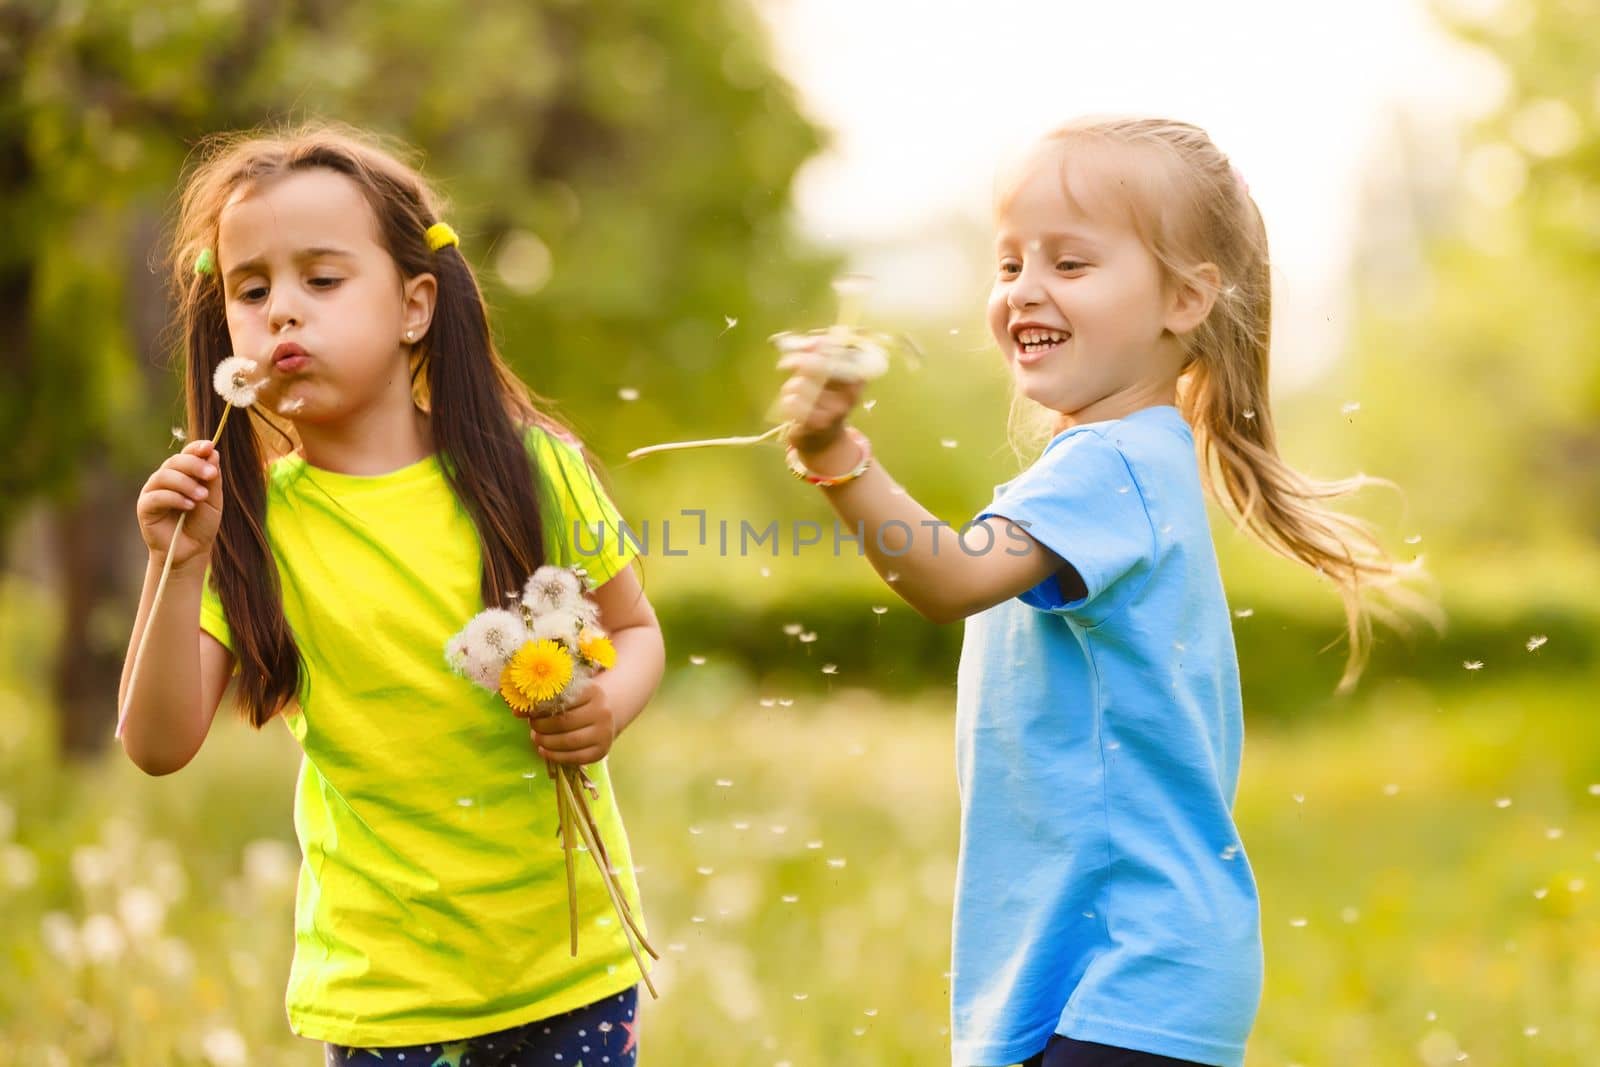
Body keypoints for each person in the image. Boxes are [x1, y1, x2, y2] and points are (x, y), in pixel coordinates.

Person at [773, 117, 1430, 1067]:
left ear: (1185, 297)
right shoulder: (1126, 461)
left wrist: (836, 460)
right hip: (1117, 965)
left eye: (1070, 263)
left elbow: (948, 577)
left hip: (1128, 969)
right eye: (1008, 265)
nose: (1025, 290)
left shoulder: (1108, 469)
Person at [117, 123, 664, 1066]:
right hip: (386, 994)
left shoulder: (530, 470)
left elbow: (634, 627)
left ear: (415, 305)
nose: (282, 311)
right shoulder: (248, 525)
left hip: (570, 968)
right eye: (253, 290)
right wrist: (176, 564)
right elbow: (158, 744)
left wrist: (607, 703)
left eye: (321, 281)